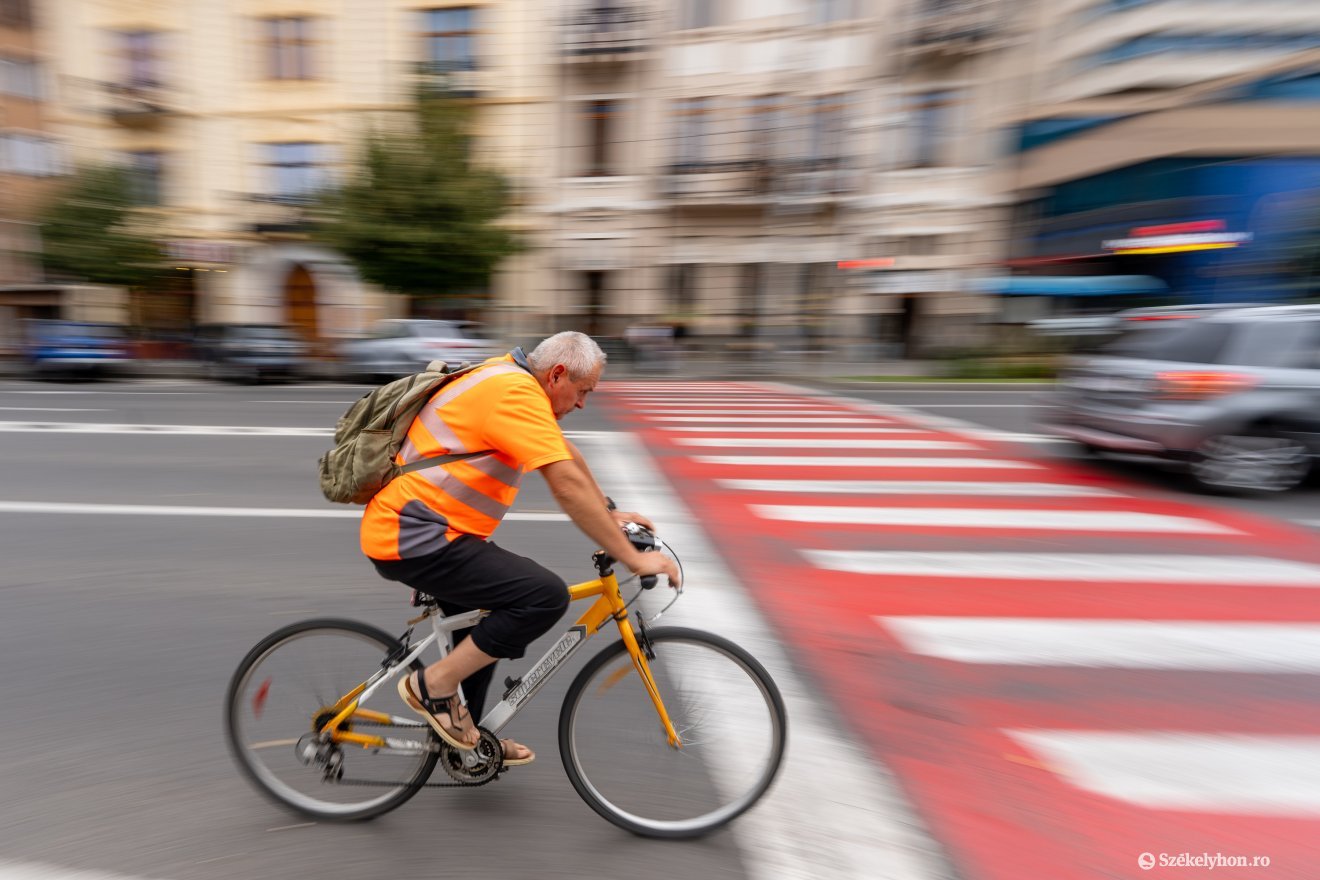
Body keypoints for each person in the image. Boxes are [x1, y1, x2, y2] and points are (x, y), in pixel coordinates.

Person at [361, 331, 680, 765]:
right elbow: (564, 483)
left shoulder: (510, 377)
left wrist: (609, 511)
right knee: (541, 596)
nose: (583, 403)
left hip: (432, 533)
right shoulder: (514, 391)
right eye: (583, 391)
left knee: (486, 624)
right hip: (418, 536)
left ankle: (465, 743)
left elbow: (564, 454)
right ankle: (432, 685)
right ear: (558, 374)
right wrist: (632, 557)